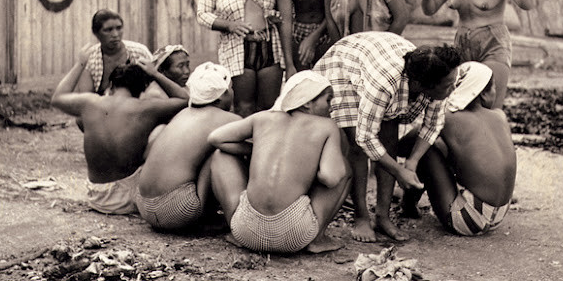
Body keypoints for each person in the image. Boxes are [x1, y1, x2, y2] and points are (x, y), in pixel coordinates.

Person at [313, 31, 461, 243]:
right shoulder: (384, 83)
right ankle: (361, 216)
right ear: (424, 85)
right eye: (448, 85)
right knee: (357, 146)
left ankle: (382, 216)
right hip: (347, 66)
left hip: (385, 61)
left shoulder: (437, 77)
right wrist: (399, 171)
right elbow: (365, 138)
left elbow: (433, 125)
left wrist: (412, 162)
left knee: (389, 135)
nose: (453, 87)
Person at [207, 71, 352, 254]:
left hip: (246, 232)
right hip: (294, 236)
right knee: (345, 168)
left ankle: (234, 232)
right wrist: (311, 166)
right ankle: (318, 239)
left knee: (221, 155)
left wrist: (257, 149)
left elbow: (215, 138)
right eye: (328, 100)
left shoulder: (262, 118)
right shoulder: (326, 126)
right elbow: (331, 178)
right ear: (307, 102)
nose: (331, 108)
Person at [50, 43, 189, 214]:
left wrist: (80, 63)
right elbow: (185, 100)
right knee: (160, 130)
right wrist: (154, 74)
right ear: (142, 89)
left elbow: (57, 98)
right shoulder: (145, 108)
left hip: (96, 196)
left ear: (111, 86)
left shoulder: (89, 102)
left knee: (83, 118)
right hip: (126, 200)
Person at [399, 61, 516, 235]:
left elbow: (404, 146)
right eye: (494, 89)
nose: (496, 93)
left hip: (468, 219)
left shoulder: (447, 117)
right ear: (482, 94)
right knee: (435, 145)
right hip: (498, 215)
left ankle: (408, 205)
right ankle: (411, 199)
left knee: (425, 149)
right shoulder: (500, 116)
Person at [135, 62, 241, 232]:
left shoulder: (182, 113)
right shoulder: (229, 119)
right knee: (220, 151)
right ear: (223, 95)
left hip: (144, 205)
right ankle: (215, 216)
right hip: (176, 211)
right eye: (231, 88)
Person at [74, 9, 153, 95]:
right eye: (108, 30)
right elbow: (86, 99)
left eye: (119, 28)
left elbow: (155, 85)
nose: (115, 34)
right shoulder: (90, 59)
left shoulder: (140, 52)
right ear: (96, 33)